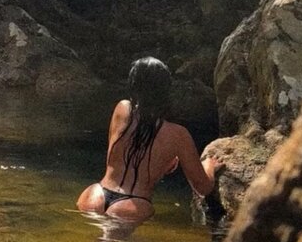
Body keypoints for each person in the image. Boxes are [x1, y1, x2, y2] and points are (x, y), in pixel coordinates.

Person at [76, 56, 219, 228]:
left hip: (94, 195)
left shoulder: (122, 109)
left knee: (93, 241)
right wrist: (209, 166)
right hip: (133, 205)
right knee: (112, 240)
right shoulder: (178, 134)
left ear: (133, 85)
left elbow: (116, 156)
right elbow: (202, 187)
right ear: (165, 91)